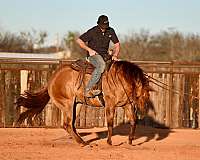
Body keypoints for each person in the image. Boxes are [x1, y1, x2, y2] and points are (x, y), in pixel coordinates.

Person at [76, 15, 120, 98]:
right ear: (98, 24)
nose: (104, 28)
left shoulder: (110, 31)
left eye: (105, 26)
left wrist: (115, 55)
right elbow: (79, 40)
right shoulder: (93, 31)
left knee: (119, 66)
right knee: (101, 65)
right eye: (102, 26)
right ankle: (88, 89)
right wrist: (89, 50)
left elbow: (117, 44)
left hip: (105, 55)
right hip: (93, 56)